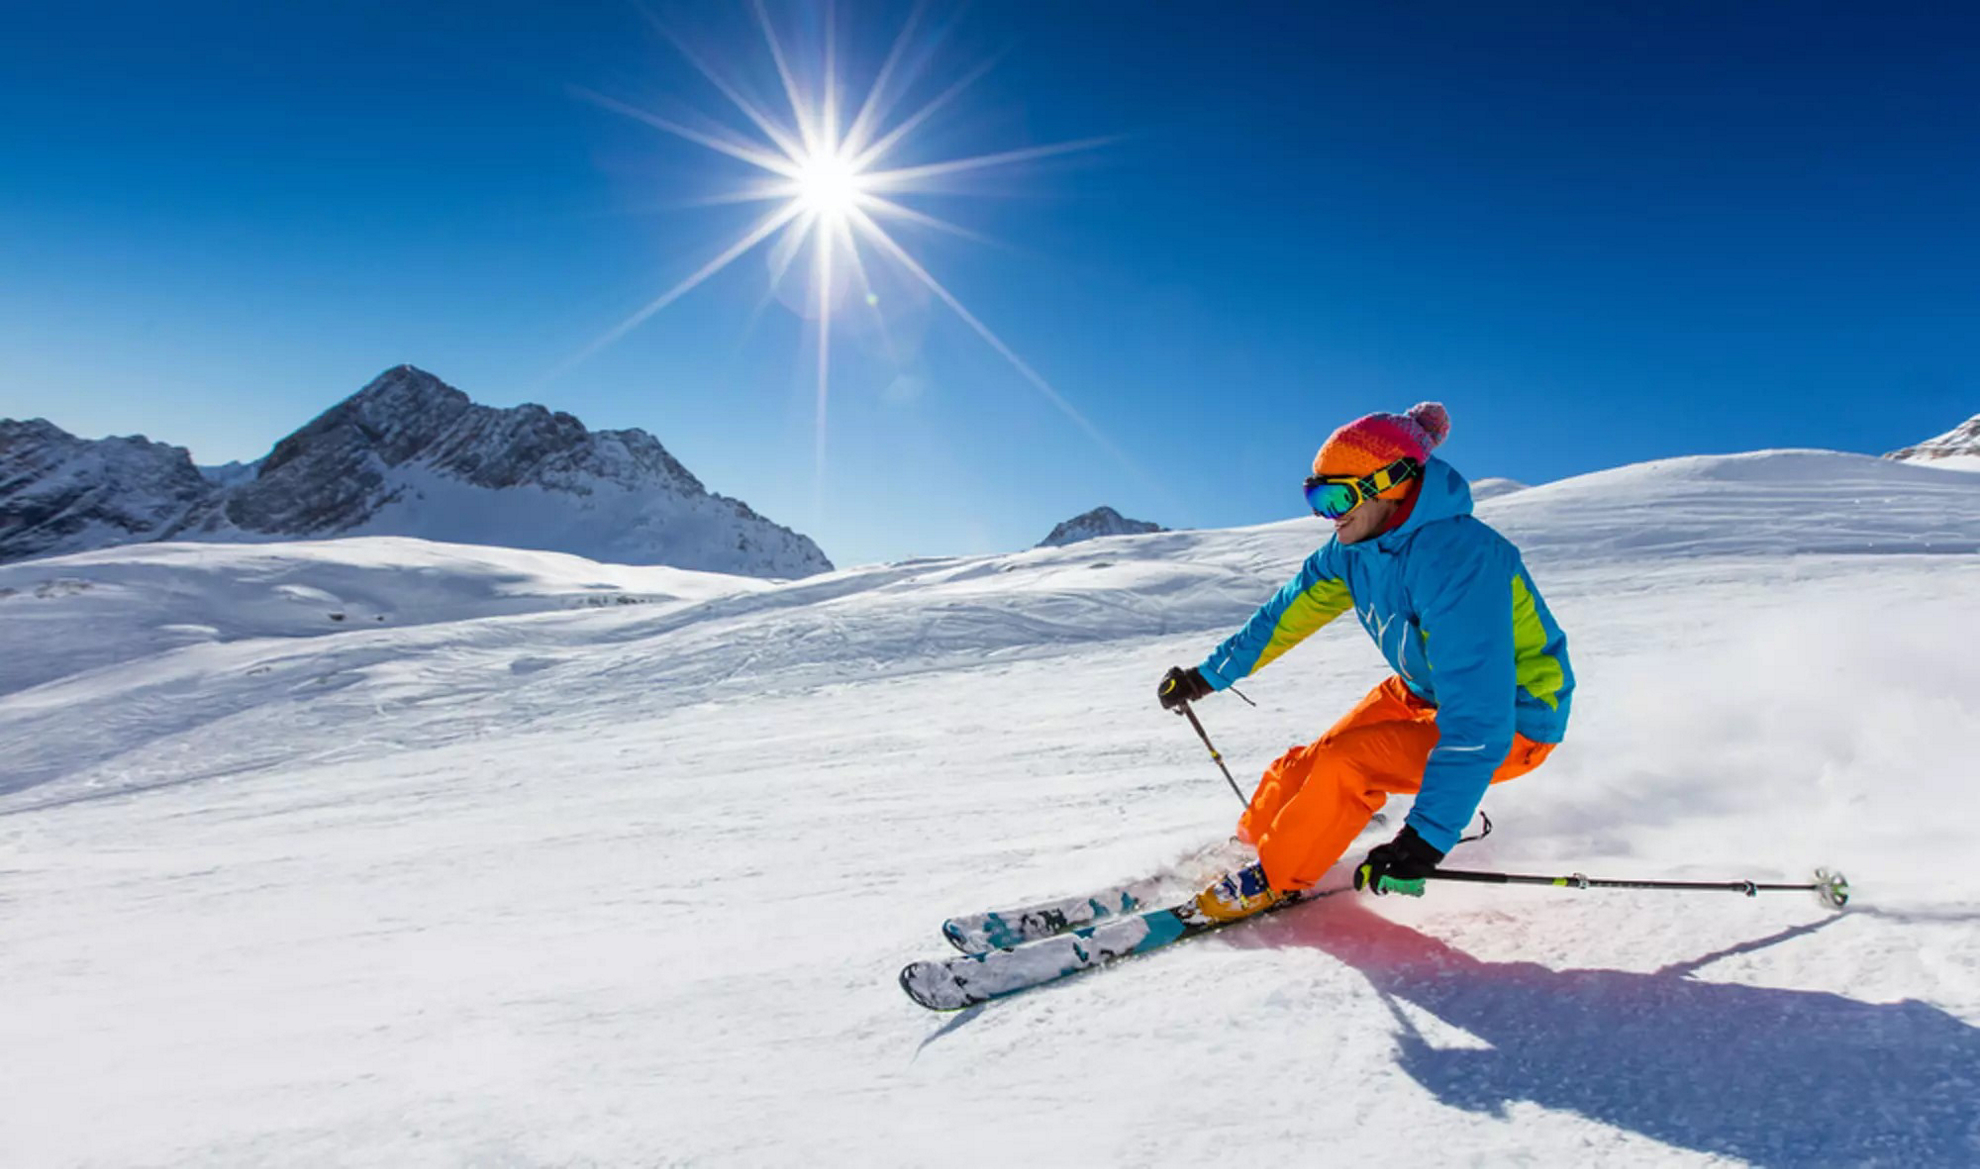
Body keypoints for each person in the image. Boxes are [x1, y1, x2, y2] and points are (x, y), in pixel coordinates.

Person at [1157, 402, 1573, 918]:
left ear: (1392, 483)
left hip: (1516, 717)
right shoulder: (1351, 550)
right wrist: (1208, 676)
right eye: (1316, 496)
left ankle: (1275, 877)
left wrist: (1426, 838)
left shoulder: (1460, 559)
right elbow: (1284, 616)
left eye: (1336, 496)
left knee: (1346, 764)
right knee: (1307, 762)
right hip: (1422, 692)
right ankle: (1251, 844)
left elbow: (1480, 717)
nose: (1326, 514)